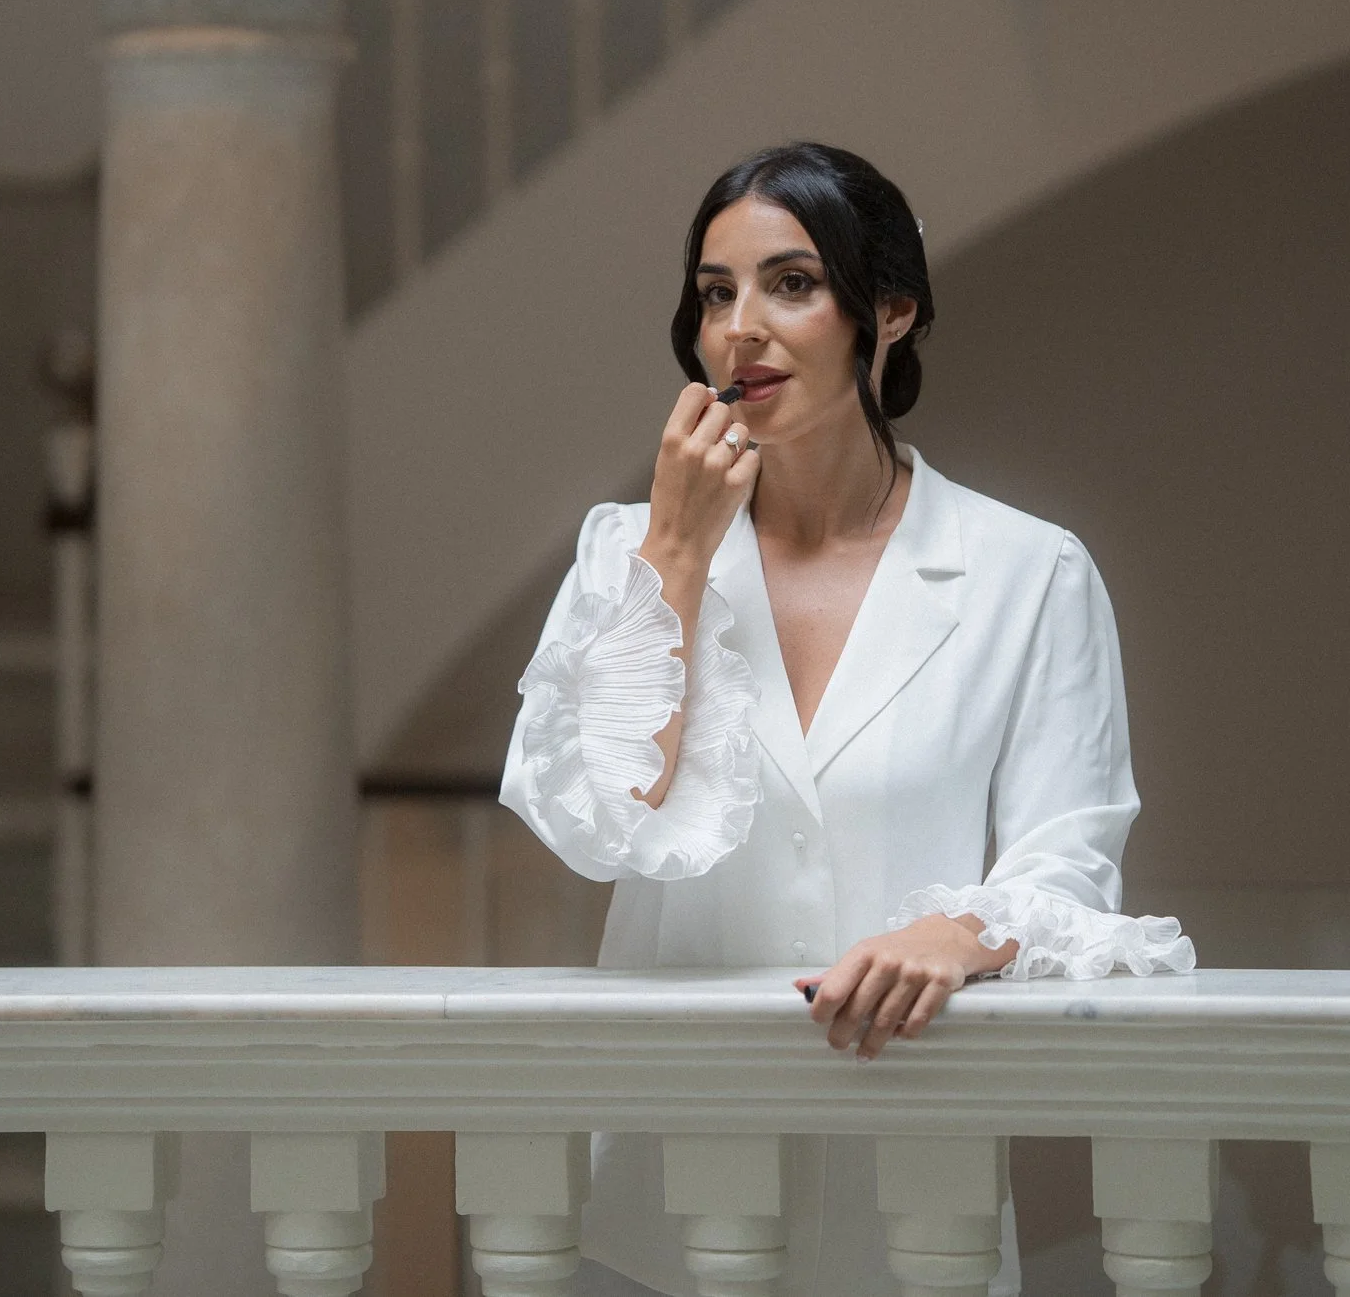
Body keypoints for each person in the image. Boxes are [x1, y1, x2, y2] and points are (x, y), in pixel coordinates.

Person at [499, 141, 1194, 1297]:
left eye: (791, 283)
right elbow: (600, 824)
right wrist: (671, 551)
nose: (741, 329)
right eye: (716, 294)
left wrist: (959, 933)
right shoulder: (621, 556)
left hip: (919, 1201)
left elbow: (1070, 857)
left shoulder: (1029, 571)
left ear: (889, 310)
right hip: (662, 1206)